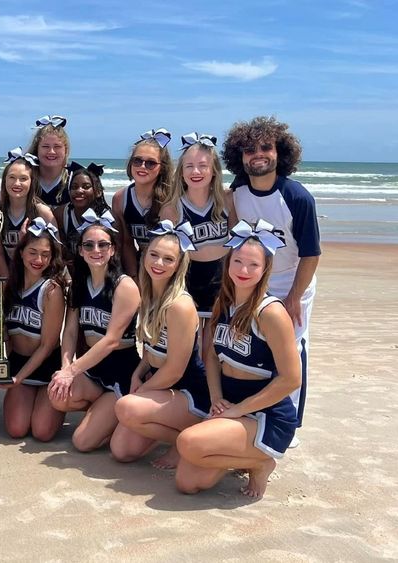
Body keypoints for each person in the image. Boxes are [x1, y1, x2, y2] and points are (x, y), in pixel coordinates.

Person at [175, 220, 301, 499]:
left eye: (253, 265)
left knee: (187, 442)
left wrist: (238, 409)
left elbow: (292, 379)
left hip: (265, 413)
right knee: (187, 482)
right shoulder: (225, 301)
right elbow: (209, 355)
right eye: (238, 261)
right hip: (230, 402)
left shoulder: (270, 313)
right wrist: (217, 398)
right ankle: (243, 455)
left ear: (265, 269)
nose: (244, 270)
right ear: (228, 262)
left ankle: (261, 462)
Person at [221, 116, 320, 432]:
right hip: (251, 280)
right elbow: (234, 236)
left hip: (292, 281)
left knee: (291, 348)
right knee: (254, 345)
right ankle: (254, 410)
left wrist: (292, 298)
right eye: (250, 150)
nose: (258, 155)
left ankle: (289, 424)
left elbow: (311, 254)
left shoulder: (296, 197)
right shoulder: (238, 191)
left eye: (266, 148)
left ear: (281, 153)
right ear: (240, 156)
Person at [110, 221, 210, 468]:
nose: (159, 263)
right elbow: (152, 348)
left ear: (179, 265)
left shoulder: (179, 305)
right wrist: (138, 374)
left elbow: (175, 369)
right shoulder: (149, 293)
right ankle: (177, 433)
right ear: (145, 255)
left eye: (168, 259)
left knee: (126, 407)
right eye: (154, 255)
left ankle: (185, 441)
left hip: (189, 392)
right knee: (121, 450)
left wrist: (143, 391)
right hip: (162, 386)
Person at [47, 211, 141, 452]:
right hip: (94, 368)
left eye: (103, 244)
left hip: (121, 370)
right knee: (57, 396)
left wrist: (73, 371)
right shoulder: (79, 282)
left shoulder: (124, 286)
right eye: (88, 244)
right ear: (80, 250)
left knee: (82, 442)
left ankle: (116, 413)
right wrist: (65, 367)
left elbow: (111, 341)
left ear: (113, 250)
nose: (95, 249)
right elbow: (69, 332)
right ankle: (103, 411)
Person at [1, 218, 67, 441]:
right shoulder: (10, 285)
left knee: (42, 432)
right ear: (20, 253)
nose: (39, 260)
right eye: (32, 252)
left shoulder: (52, 290)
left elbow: (48, 345)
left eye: (45, 254)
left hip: (46, 366)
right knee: (16, 430)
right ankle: (28, 397)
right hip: (19, 361)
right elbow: (9, 335)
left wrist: (17, 379)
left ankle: (47, 399)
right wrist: (0, 337)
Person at [161, 133, 235, 320]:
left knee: (214, 344)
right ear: (181, 172)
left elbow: (237, 246)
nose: (196, 172)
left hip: (223, 281)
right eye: (189, 166)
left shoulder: (228, 201)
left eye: (203, 166)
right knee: (193, 343)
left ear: (214, 170)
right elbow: (169, 255)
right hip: (187, 281)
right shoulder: (172, 209)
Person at [112, 129, 175, 281]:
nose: (142, 166)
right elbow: (126, 243)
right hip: (141, 266)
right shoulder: (120, 199)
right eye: (137, 160)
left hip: (170, 268)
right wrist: (134, 277)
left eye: (151, 163)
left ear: (162, 168)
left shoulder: (172, 197)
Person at [0, 147, 56, 277]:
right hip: (11, 278)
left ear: (32, 182)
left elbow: (56, 251)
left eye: (23, 178)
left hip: (39, 279)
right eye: (12, 177)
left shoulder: (43, 212)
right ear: (4, 181)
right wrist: (9, 283)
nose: (17, 183)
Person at [52, 161, 110, 268]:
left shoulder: (108, 218)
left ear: (98, 192)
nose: (79, 190)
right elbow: (59, 253)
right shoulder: (61, 214)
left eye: (86, 186)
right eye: (74, 187)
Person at [27, 115, 71, 207]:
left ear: (65, 150)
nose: (51, 151)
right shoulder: (25, 176)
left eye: (57, 146)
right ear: (36, 149)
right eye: (45, 146)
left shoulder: (74, 178)